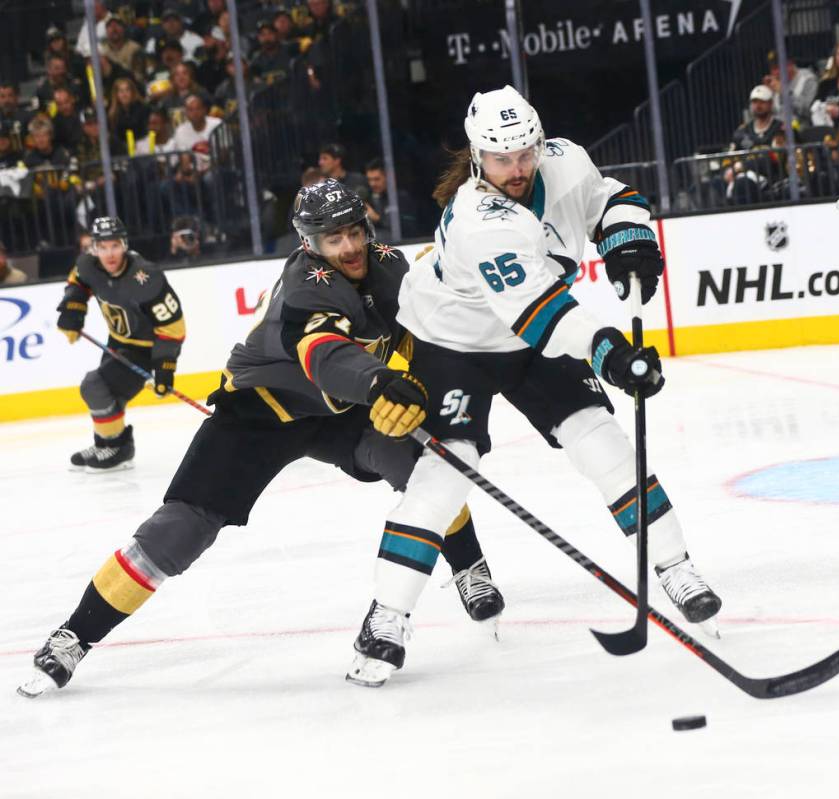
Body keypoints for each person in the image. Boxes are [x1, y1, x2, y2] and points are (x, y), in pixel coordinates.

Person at [17, 182, 503, 698]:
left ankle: (469, 565)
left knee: (423, 466)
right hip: (262, 407)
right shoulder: (305, 285)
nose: (349, 247)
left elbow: (416, 333)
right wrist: (381, 382)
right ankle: (74, 635)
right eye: (332, 238)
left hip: (342, 410)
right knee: (179, 529)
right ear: (308, 242)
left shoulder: (389, 266)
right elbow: (325, 356)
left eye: (354, 232)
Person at [344, 85, 722, 688]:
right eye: (502, 158)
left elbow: (608, 198)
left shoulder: (564, 158)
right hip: (454, 342)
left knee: (601, 440)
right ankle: (385, 617)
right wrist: (610, 353)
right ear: (477, 157)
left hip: (528, 338)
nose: (517, 168)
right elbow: (539, 312)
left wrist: (627, 238)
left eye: (525, 152)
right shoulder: (478, 219)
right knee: (448, 472)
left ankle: (674, 566)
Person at [54, 216, 186, 473]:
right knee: (110, 395)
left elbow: (172, 327)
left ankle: (117, 449)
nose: (109, 254)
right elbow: (78, 282)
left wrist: (165, 368)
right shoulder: (89, 264)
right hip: (117, 341)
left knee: (94, 385)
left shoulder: (146, 277)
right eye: (102, 247)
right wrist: (73, 309)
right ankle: (107, 443)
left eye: (114, 246)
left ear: (124, 244)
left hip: (146, 349)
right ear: (94, 248)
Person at [364, 158, 418, 241]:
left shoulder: (401, 198)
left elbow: (408, 227)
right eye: (369, 180)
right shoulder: (369, 199)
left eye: (376, 179)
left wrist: (377, 218)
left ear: (388, 177)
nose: (372, 184)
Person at [763, 51, 817, 128]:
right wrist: (765, 94)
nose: (775, 73)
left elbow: (809, 110)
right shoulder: (774, 83)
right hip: (777, 131)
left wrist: (784, 93)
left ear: (790, 64)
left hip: (801, 130)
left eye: (777, 68)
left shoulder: (807, 79)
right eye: (772, 69)